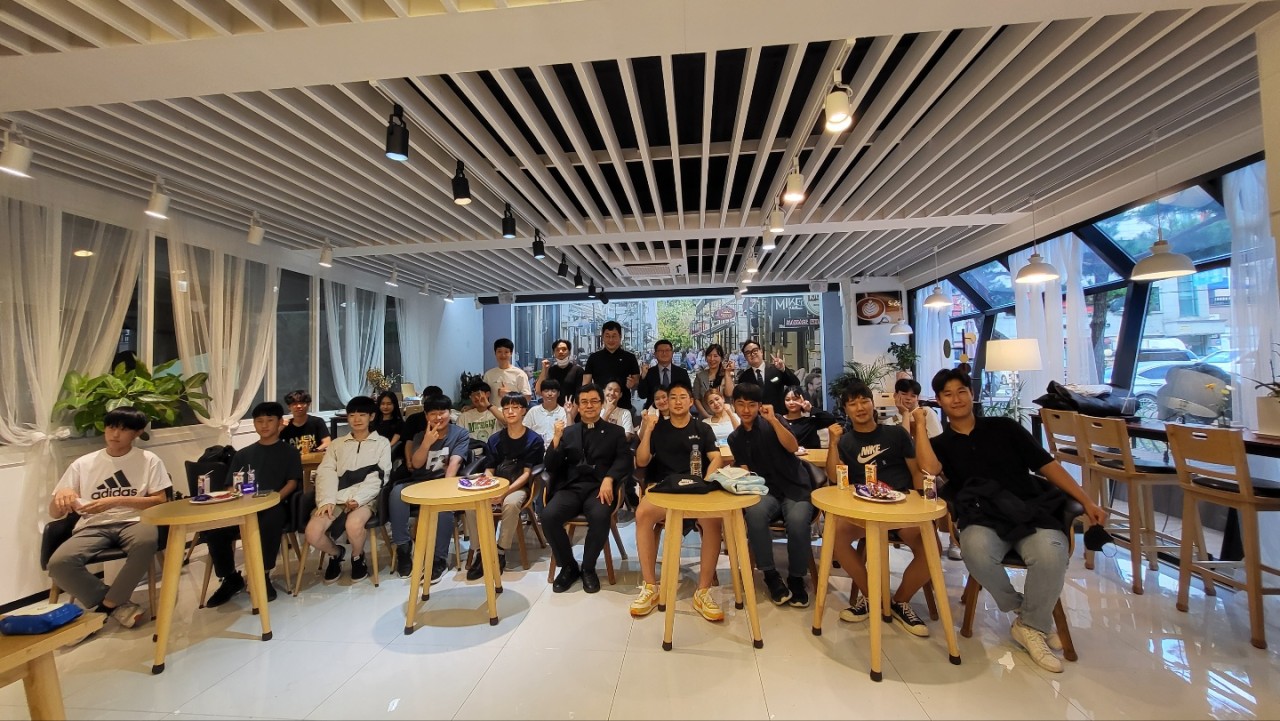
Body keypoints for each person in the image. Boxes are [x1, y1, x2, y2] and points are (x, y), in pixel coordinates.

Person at [915, 368, 1107, 673]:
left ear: (972, 394)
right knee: (975, 551)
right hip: (981, 517)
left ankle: (1029, 626)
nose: (956, 399)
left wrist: (1086, 501)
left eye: (962, 391)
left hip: (1028, 509)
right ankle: (1026, 612)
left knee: (1051, 553)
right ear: (938, 401)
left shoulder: (1005, 427)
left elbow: (1047, 466)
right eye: (948, 394)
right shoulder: (942, 444)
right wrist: (918, 423)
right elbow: (928, 469)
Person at [823, 382, 933, 638]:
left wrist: (924, 502)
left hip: (901, 505)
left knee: (931, 547)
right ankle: (872, 596)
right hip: (864, 509)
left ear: (872, 403)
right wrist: (833, 443)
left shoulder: (896, 434)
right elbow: (834, 477)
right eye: (852, 404)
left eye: (864, 401)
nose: (860, 407)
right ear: (845, 410)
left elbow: (916, 472)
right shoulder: (846, 442)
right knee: (836, 537)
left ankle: (900, 601)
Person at [47, 407, 170, 629]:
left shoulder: (149, 460)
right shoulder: (83, 464)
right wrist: (61, 497)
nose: (115, 434)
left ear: (137, 433)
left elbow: (160, 500)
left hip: (135, 521)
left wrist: (116, 501)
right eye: (111, 427)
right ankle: (116, 605)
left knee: (145, 543)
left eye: (124, 429)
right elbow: (54, 513)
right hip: (92, 525)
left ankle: (107, 606)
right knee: (58, 563)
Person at [631, 379, 726, 621]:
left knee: (713, 521)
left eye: (682, 397)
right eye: (672, 397)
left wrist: (706, 480)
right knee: (642, 514)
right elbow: (641, 461)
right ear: (666, 402)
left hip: (695, 489)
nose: (677, 401)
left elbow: (716, 457)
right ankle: (650, 586)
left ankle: (703, 591)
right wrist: (647, 429)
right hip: (664, 489)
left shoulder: (702, 428)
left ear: (691, 401)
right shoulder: (658, 428)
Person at [204, 401, 303, 606]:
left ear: (280, 423)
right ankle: (230, 578)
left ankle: (262, 574)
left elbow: (292, 482)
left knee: (268, 522)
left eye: (269, 420)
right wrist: (236, 498)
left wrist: (275, 498)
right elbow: (231, 485)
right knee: (214, 529)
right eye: (259, 421)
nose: (264, 425)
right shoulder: (243, 454)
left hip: (275, 505)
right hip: (244, 506)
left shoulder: (290, 452)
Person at [540, 383, 633, 593]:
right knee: (548, 516)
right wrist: (556, 440)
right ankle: (569, 566)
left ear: (601, 404)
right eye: (584, 402)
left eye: (594, 401)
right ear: (578, 406)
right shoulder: (568, 432)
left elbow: (625, 460)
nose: (589, 406)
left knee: (600, 516)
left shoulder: (615, 432)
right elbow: (551, 466)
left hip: (599, 488)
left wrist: (609, 478)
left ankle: (588, 568)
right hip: (571, 488)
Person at [728, 383, 815, 607]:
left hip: (795, 486)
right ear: (734, 405)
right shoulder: (735, 438)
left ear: (759, 405)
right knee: (754, 515)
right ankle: (770, 575)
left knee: (797, 521)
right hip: (765, 491)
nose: (746, 410)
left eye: (751, 404)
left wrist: (774, 422)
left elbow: (793, 447)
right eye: (741, 404)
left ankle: (796, 577)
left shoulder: (774, 420)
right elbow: (745, 471)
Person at [302, 395, 391, 583]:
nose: (357, 419)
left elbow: (379, 476)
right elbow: (325, 472)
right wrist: (327, 500)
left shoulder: (381, 443)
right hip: (336, 497)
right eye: (352, 415)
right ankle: (336, 553)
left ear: (371, 417)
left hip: (366, 498)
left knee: (354, 524)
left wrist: (358, 499)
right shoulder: (337, 444)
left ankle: (357, 556)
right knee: (312, 532)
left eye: (362, 415)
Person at [390, 394, 472, 581]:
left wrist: (443, 489)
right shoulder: (420, 435)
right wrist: (426, 443)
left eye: (442, 412)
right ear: (426, 416)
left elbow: (454, 464)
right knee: (396, 494)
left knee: (443, 507)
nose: (438, 417)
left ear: (449, 413)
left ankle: (438, 559)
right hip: (420, 483)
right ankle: (404, 548)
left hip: (444, 482)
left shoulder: (460, 434)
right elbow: (417, 464)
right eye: (433, 413)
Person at [465, 393, 545, 580]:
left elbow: (526, 474)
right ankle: (481, 552)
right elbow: (489, 468)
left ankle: (500, 551)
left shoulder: (534, 440)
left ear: (523, 411)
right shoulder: (495, 439)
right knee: (472, 504)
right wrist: (490, 487)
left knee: (510, 503)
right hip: (496, 484)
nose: (510, 411)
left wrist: (504, 492)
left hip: (519, 486)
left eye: (515, 407)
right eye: (506, 408)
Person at [582, 320, 641, 412]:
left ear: (620, 337)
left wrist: (633, 384)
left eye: (614, 336)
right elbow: (585, 384)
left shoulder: (630, 358)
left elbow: (636, 382)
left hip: (623, 407)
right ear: (602, 337)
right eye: (607, 336)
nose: (611, 340)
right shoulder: (593, 358)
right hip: (599, 407)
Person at [736, 339, 800, 410]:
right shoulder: (744, 377)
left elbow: (795, 384)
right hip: (755, 415)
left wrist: (783, 368)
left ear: (761, 351)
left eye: (755, 350)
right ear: (745, 357)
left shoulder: (776, 369)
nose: (752, 354)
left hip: (777, 413)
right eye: (748, 353)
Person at [637, 339, 692, 410]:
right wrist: (643, 376)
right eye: (660, 351)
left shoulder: (682, 373)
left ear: (672, 353)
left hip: (677, 410)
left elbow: (689, 394)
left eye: (667, 350)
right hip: (654, 411)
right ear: (655, 354)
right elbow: (642, 395)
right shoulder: (649, 373)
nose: (664, 353)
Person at [780, 385, 838, 449]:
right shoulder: (779, 421)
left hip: (810, 454)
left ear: (803, 399)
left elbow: (831, 420)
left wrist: (811, 409)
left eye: (795, 399)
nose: (791, 402)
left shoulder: (810, 421)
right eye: (787, 400)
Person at [483, 337, 532, 407]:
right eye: (499, 351)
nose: (503, 355)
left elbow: (527, 398)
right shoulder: (488, 375)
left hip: (513, 412)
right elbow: (483, 397)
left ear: (511, 353)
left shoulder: (519, 374)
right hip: (493, 412)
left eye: (506, 352)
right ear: (495, 353)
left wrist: (509, 394)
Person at [692, 343, 736, 418]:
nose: (712, 359)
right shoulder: (700, 376)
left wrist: (727, 372)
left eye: (715, 356)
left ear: (721, 358)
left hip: (725, 417)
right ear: (706, 358)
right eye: (709, 355)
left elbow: (729, 394)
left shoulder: (727, 374)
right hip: (705, 418)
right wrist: (707, 416)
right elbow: (696, 399)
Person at [537, 339, 583, 404]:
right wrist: (544, 369)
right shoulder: (551, 370)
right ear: (554, 353)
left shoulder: (578, 370)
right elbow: (539, 391)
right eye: (557, 350)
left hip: (572, 408)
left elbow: (580, 394)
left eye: (564, 349)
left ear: (569, 352)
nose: (560, 352)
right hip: (553, 408)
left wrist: (573, 410)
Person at [524, 378, 568, 446]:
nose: (550, 394)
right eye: (546, 391)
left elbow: (569, 434)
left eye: (553, 391)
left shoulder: (564, 412)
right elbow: (524, 431)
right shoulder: (533, 411)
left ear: (558, 393)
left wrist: (569, 414)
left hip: (557, 448)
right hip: (536, 448)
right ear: (541, 393)